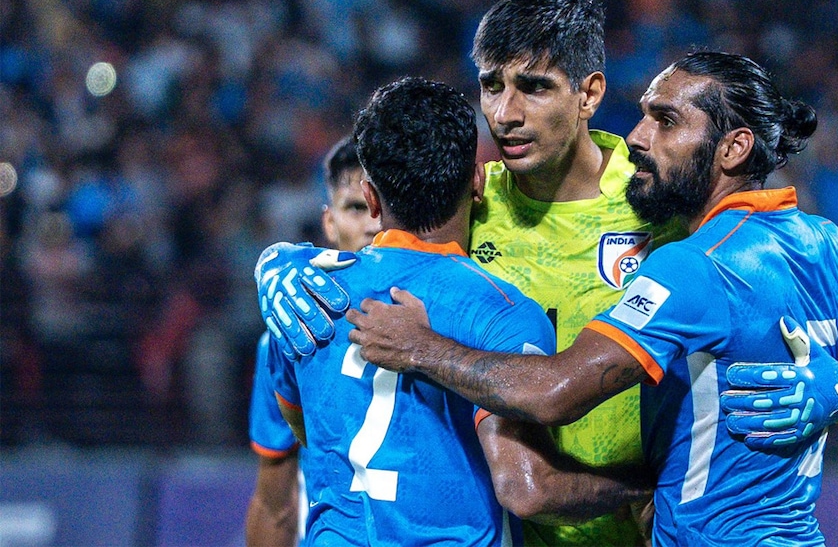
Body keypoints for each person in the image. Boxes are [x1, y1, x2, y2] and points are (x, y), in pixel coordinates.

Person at [256, 0, 838, 547]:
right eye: (492, 86)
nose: (505, 113)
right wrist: (281, 263)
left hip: (643, 529)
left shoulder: (657, 193)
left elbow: (773, 272)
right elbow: (373, 248)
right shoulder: (467, 199)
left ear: (590, 94)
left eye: (535, 86)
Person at [258, 77, 652, 544]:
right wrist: (639, 486)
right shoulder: (504, 313)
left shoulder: (302, 299)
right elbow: (529, 492)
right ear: (478, 180)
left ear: (370, 197)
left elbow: (307, 432)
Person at [244, 137, 380, 546]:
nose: (373, 224)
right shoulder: (287, 336)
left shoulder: (455, 315)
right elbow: (275, 506)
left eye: (381, 205)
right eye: (355, 208)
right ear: (329, 222)